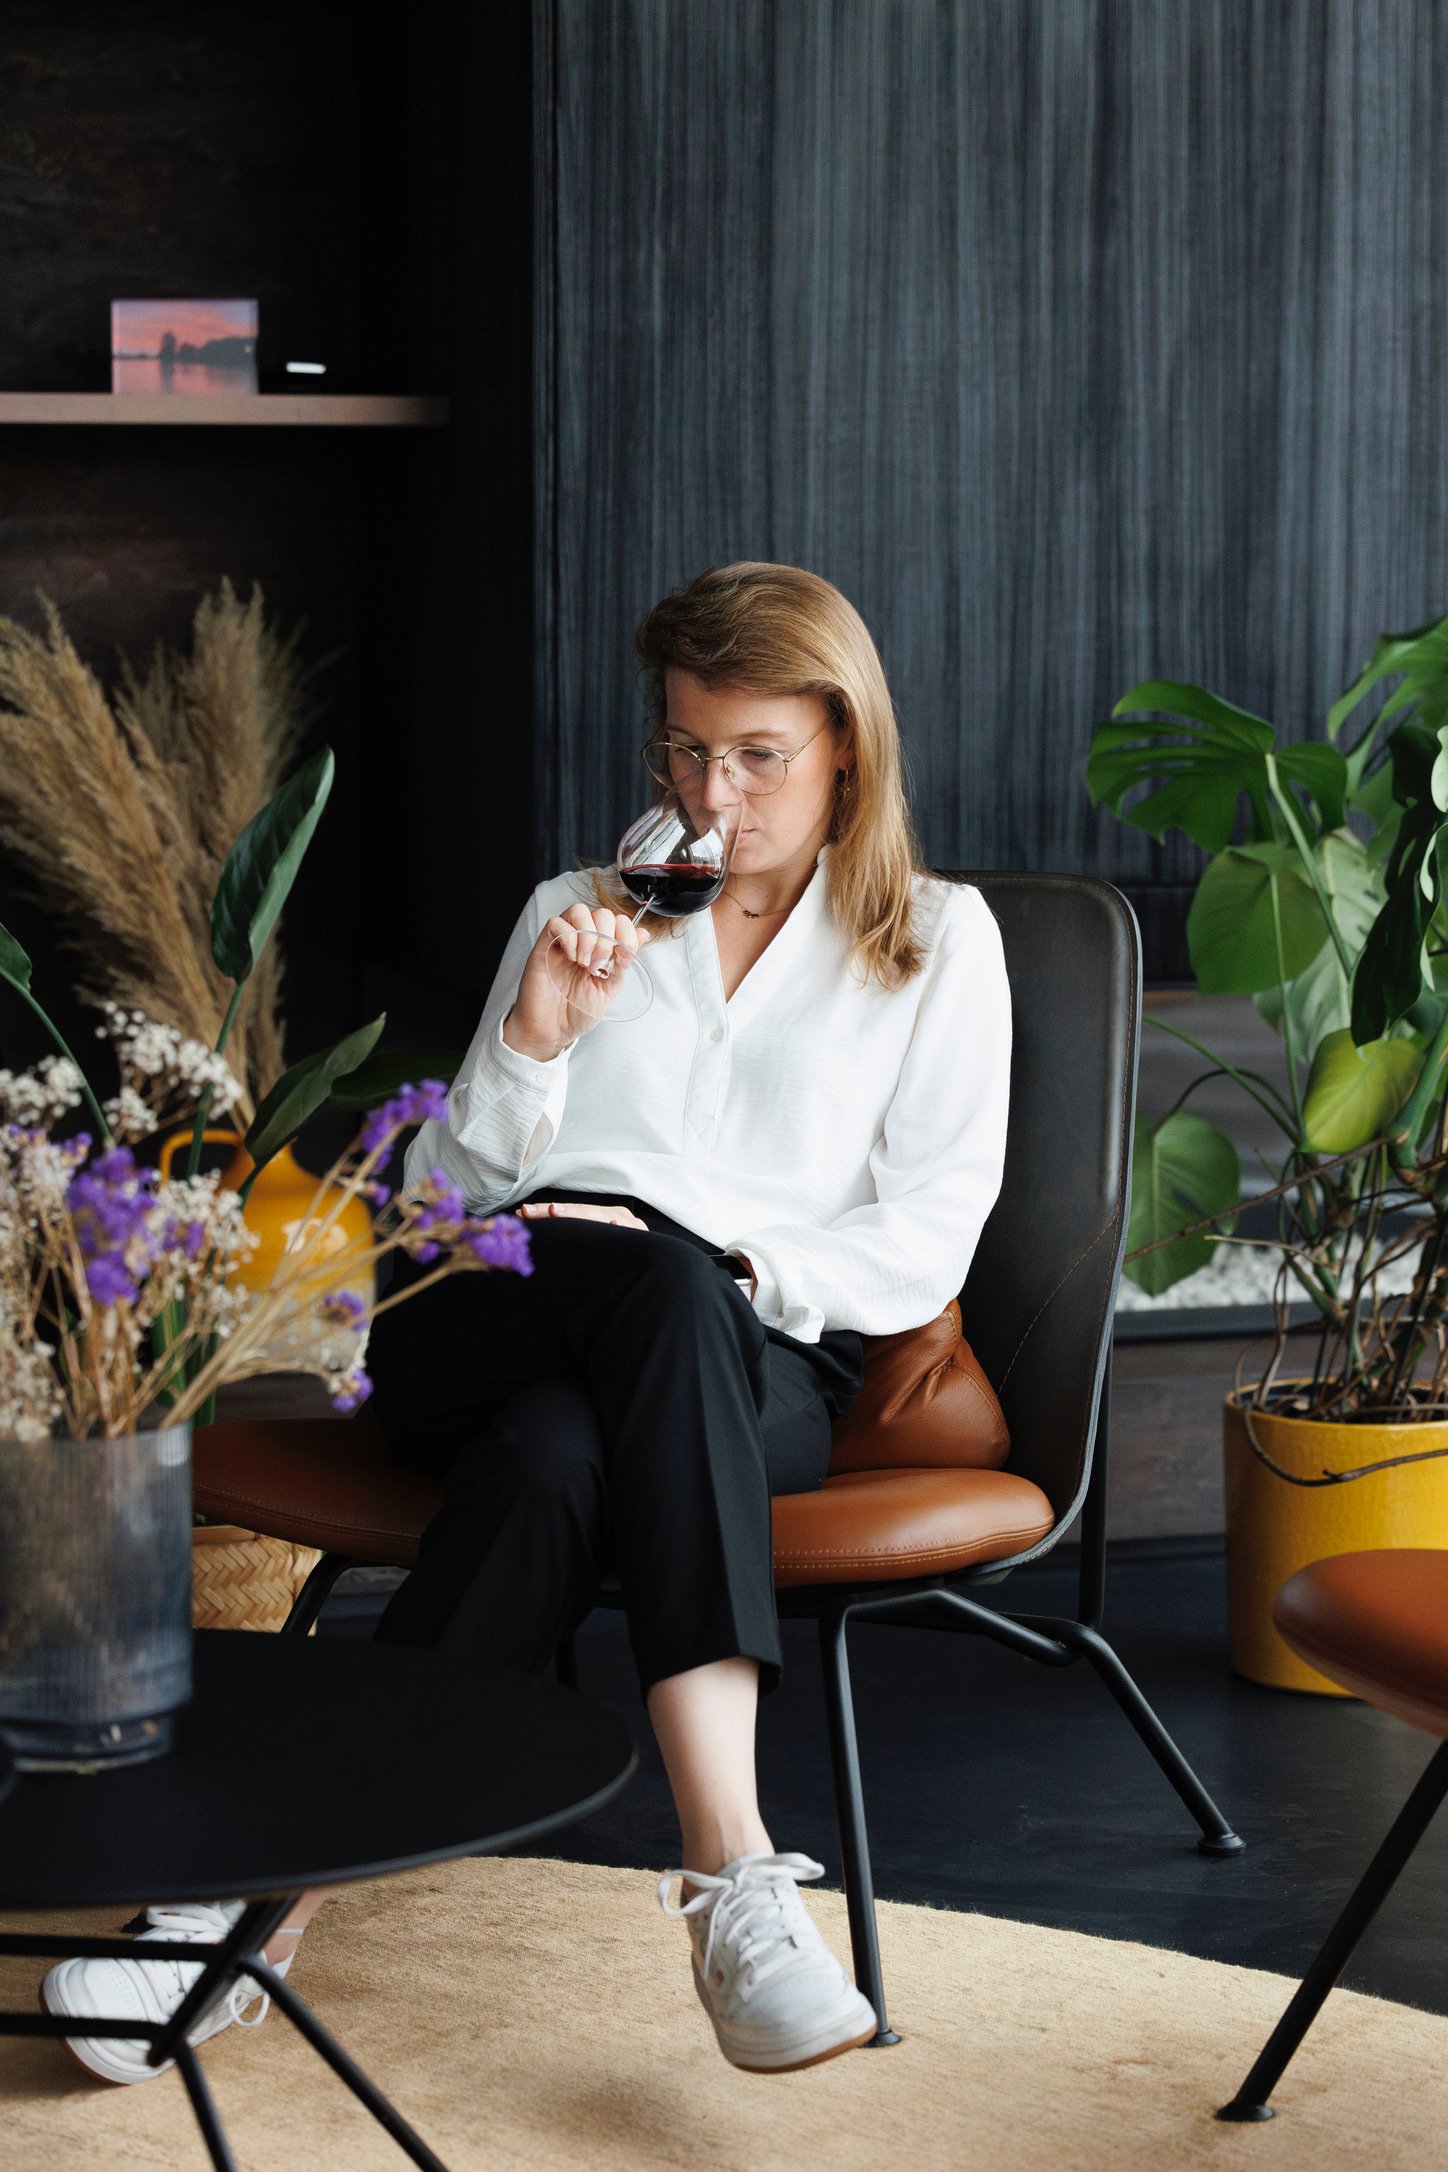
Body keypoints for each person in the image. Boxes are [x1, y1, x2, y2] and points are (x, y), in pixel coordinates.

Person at [40, 561, 1012, 2081]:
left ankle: (248, 1903)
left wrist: (723, 1266)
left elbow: (927, 1232)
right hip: (498, 1303)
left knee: (563, 1453)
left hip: (749, 1354)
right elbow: (444, 1196)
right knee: (614, 1306)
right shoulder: (581, 909)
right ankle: (733, 1870)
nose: (715, 792)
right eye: (687, 750)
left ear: (846, 747)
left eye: (758, 755)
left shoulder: (938, 945)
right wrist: (532, 1041)